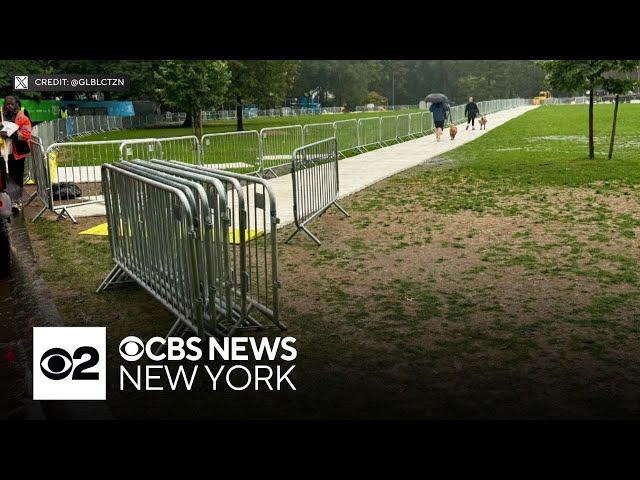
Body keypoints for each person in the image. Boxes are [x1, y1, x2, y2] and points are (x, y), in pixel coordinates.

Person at [0, 95, 32, 214]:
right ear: (4, 104)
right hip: (2, 153)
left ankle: (16, 201)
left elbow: (26, 135)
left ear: (16, 105)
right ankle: (5, 200)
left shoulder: (22, 118)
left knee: (16, 177)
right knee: (3, 178)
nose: (9, 106)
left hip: (17, 153)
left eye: (12, 104)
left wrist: (10, 134)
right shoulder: (0, 114)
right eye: (7, 104)